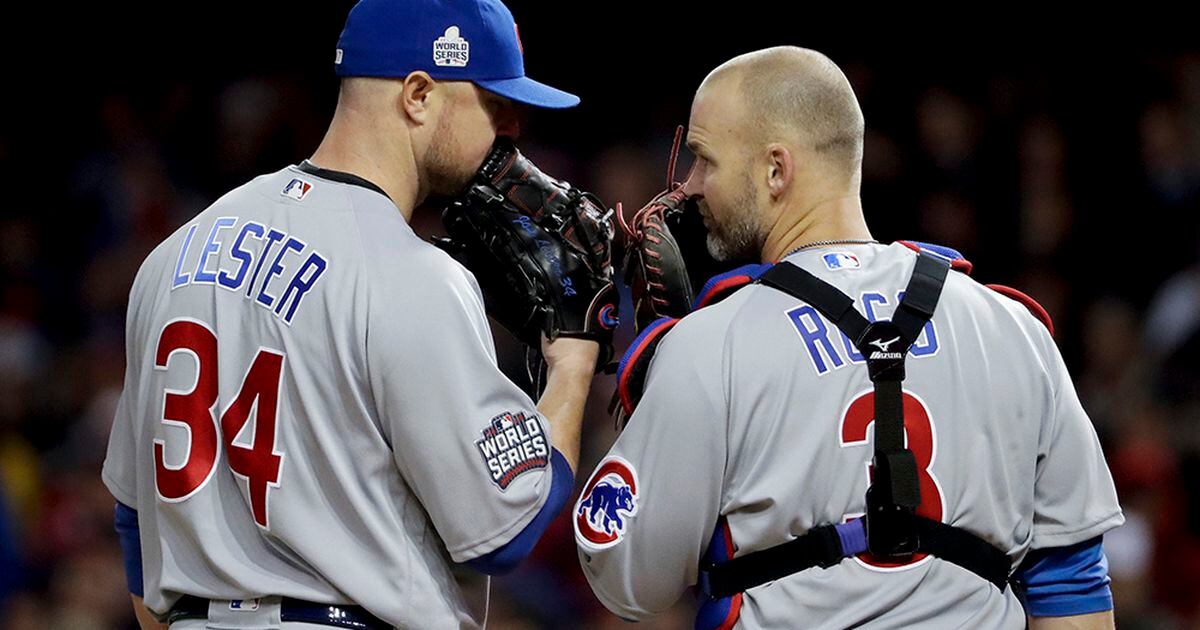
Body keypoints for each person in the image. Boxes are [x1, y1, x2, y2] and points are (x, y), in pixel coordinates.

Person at [574, 46, 1124, 629]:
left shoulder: (713, 344)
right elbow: (1072, 585)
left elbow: (625, 579)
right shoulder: (1012, 330)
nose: (690, 186)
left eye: (705, 159)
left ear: (776, 170)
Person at [102, 1, 599, 628]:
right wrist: (573, 365)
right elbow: (509, 529)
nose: (512, 131)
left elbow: (133, 520)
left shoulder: (174, 254)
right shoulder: (412, 275)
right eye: (495, 106)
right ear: (418, 94)